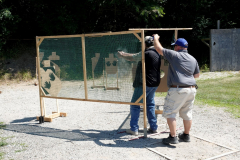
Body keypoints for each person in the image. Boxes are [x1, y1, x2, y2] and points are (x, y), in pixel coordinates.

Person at [152, 35, 200, 144]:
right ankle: (186, 135)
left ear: (178, 47)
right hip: (191, 89)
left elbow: (159, 49)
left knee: (170, 113)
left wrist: (156, 38)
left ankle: (173, 137)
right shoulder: (193, 58)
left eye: (175, 46)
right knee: (187, 113)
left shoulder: (175, 55)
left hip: (178, 89)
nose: (174, 48)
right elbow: (196, 75)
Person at [118, 36, 161, 136]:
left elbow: (132, 57)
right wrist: (124, 54)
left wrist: (122, 55)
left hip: (144, 84)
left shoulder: (145, 54)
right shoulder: (156, 52)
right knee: (150, 104)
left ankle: (134, 128)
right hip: (154, 84)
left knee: (135, 105)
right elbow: (135, 55)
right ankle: (154, 127)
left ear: (145, 44)